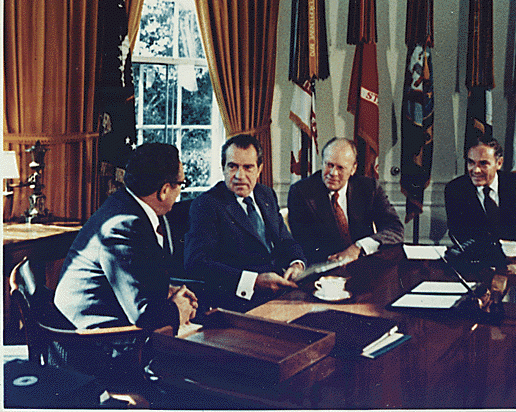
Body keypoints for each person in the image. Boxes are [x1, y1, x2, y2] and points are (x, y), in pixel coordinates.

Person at [54, 143, 198, 391]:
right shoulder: (125, 224)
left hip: (98, 322)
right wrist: (177, 309)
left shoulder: (126, 205)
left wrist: (166, 290)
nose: (179, 193)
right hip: (90, 345)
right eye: (180, 185)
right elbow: (143, 314)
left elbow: (132, 276)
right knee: (194, 373)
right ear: (164, 190)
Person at [184, 134, 306, 312]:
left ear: (259, 169)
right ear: (223, 168)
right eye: (232, 166)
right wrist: (254, 282)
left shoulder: (266, 195)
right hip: (239, 302)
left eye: (248, 167)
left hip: (280, 291)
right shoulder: (207, 205)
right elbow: (196, 263)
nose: (240, 176)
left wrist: (297, 264)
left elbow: (285, 240)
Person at [287, 137, 404, 265]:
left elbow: (395, 229)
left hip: (365, 263)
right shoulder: (301, 192)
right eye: (329, 165)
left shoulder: (369, 188)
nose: (333, 173)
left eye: (340, 168)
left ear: (353, 169)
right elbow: (304, 243)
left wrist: (358, 247)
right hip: (325, 267)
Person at [444, 135, 516, 259]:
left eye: (483, 163)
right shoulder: (456, 189)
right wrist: (498, 251)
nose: (476, 170)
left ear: (499, 163)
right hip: (480, 259)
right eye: (471, 162)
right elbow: (459, 233)